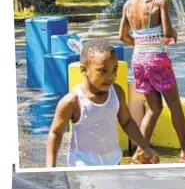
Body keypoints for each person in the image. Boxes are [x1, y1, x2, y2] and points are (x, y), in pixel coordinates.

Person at [119, 0, 185, 163]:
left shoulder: (128, 5)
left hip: (138, 60)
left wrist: (141, 44)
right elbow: (166, 33)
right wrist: (173, 33)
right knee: (174, 105)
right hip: (157, 60)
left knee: (155, 108)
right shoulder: (159, 2)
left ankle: (141, 152)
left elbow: (122, 36)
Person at [46, 39, 160, 167]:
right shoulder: (73, 101)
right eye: (103, 71)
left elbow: (126, 121)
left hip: (112, 160)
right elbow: (56, 133)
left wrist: (144, 146)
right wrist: (50, 168)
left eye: (114, 70)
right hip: (83, 164)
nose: (110, 76)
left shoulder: (117, 92)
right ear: (84, 70)